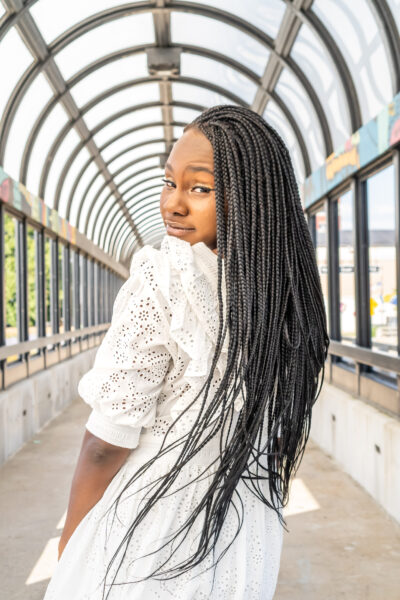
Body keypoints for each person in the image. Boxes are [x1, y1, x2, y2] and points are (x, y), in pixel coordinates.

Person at [43, 104, 329, 600]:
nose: (173, 203)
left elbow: (104, 444)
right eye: (169, 182)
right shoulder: (289, 295)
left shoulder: (164, 278)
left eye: (200, 188)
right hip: (242, 534)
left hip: (149, 534)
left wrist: (70, 550)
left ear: (251, 198)